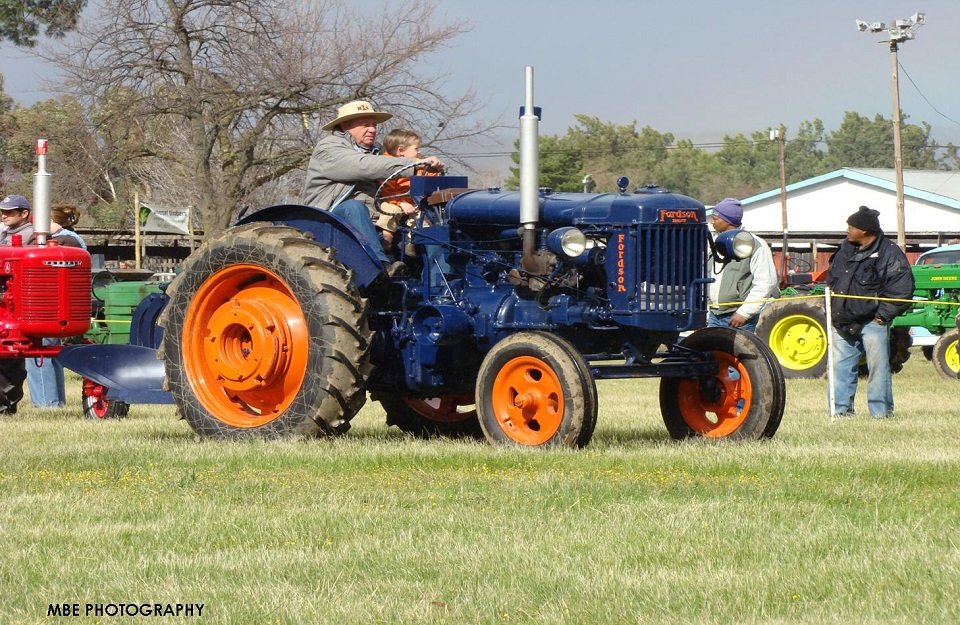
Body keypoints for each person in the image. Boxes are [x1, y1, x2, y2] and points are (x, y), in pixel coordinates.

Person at [301, 100, 443, 265]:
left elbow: (390, 171)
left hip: (376, 217)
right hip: (331, 218)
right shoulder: (329, 148)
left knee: (432, 225)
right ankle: (380, 266)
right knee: (354, 207)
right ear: (345, 126)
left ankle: (442, 277)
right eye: (365, 125)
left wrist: (431, 171)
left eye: (374, 125)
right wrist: (414, 164)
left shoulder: (376, 152)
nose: (373, 129)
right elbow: (363, 165)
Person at [827, 205, 914, 419]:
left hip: (873, 322)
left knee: (878, 369)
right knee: (839, 368)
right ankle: (841, 412)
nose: (847, 230)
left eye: (851, 227)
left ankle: (880, 413)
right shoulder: (845, 249)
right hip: (842, 321)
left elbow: (901, 289)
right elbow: (833, 279)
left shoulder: (889, 253)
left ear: (865, 231)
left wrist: (881, 316)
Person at [26, 205, 87, 408]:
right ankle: (54, 402)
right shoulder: (71, 239)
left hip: (50, 306)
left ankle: (46, 404)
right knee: (50, 355)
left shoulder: (64, 241)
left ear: (50, 222)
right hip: (60, 306)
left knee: (38, 354)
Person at [707, 197, 780, 332]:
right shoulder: (713, 242)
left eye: (715, 218)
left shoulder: (755, 244)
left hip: (738, 318)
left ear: (728, 221)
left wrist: (744, 313)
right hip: (714, 315)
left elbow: (766, 282)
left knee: (738, 347)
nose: (712, 222)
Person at [375, 128, 439, 254]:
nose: (419, 152)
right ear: (401, 151)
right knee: (390, 210)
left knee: (424, 216)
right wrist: (400, 203)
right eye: (416, 149)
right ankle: (387, 239)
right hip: (392, 201)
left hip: (413, 202)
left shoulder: (418, 165)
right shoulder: (385, 166)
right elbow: (387, 191)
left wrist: (434, 169)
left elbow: (427, 179)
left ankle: (412, 241)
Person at [0, 194, 35, 413]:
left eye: (9, 212)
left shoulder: (32, 236)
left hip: (17, 300)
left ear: (24, 213)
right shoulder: (5, 234)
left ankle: (6, 402)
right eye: (3, 212)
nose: (4, 216)